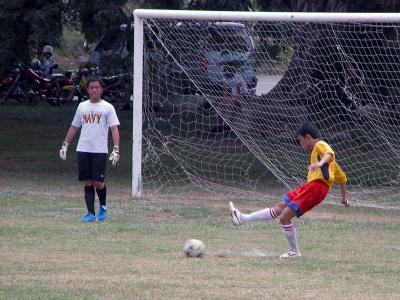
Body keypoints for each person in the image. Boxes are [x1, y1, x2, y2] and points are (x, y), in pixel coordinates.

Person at [229, 122, 349, 258]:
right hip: (311, 187)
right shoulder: (327, 161)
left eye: (300, 140)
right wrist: (344, 200)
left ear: (307, 137)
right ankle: (242, 219)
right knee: (280, 207)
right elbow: (342, 179)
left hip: (317, 188)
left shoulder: (319, 145)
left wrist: (319, 163)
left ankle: (294, 252)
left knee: (284, 216)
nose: (300, 144)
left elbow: (329, 153)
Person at [59, 76, 121, 222]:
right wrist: (65, 145)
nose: (94, 90)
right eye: (91, 87)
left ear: (101, 89)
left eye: (96, 87)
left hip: (100, 150)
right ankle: (90, 213)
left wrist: (116, 149)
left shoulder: (108, 107)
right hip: (83, 149)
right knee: (87, 181)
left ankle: (103, 207)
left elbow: (114, 129)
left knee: (98, 182)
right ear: (87, 90)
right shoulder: (82, 106)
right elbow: (74, 126)